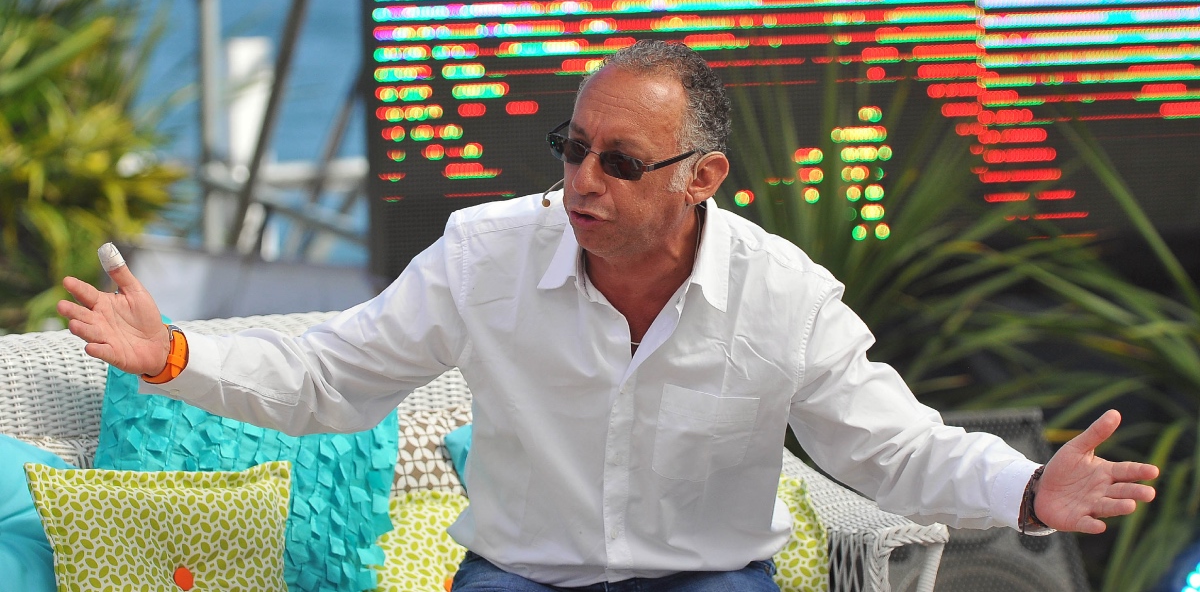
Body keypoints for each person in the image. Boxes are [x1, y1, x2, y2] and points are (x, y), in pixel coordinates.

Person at [59, 40, 1158, 591]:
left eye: (621, 162)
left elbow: (893, 448)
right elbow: (331, 379)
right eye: (573, 148)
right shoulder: (484, 254)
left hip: (709, 579)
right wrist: (172, 354)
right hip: (518, 576)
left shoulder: (782, 294)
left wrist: (1027, 489)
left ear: (702, 177)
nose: (583, 181)